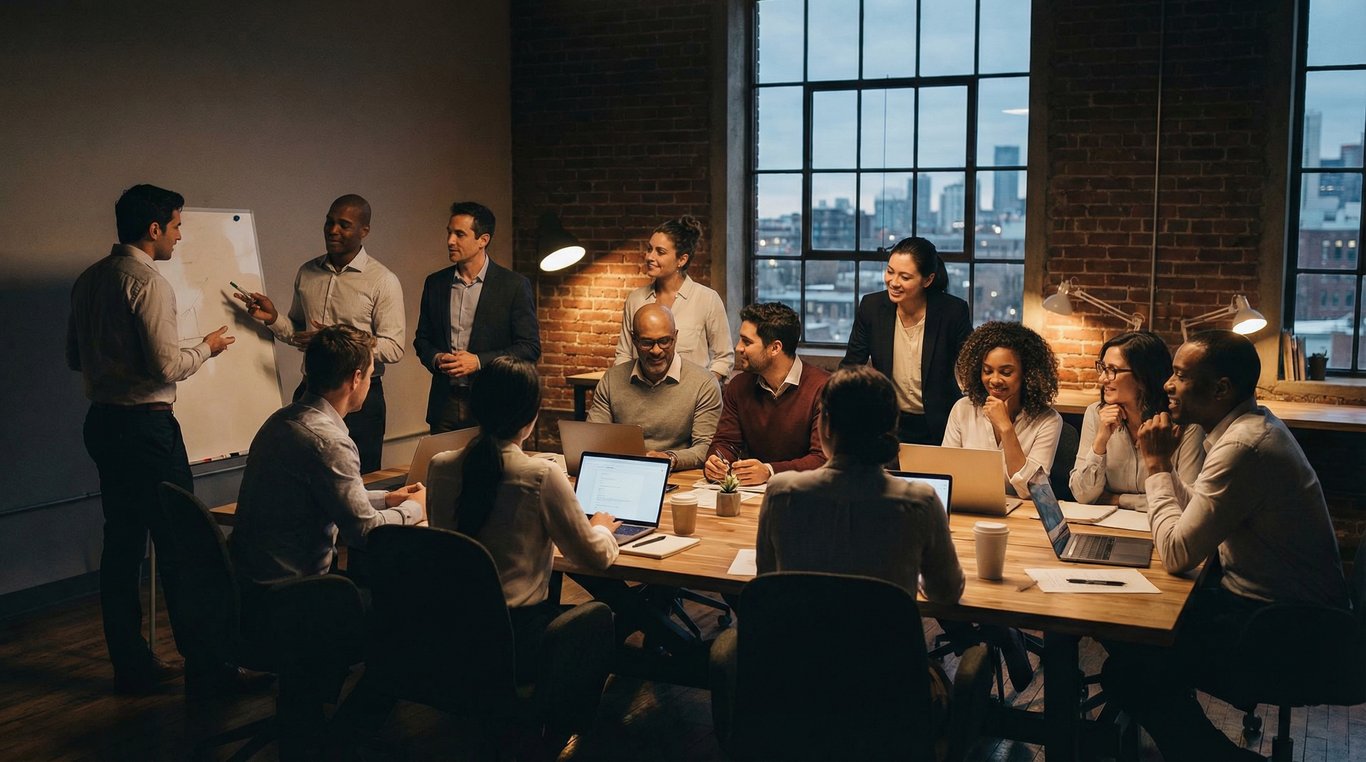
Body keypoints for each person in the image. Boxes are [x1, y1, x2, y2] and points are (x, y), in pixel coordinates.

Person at [1102, 331, 1348, 761]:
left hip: (1286, 629)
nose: (1167, 385)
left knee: (1130, 666)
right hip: (1274, 608)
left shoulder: (1243, 446)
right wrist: (1165, 471)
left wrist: (1156, 465)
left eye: (1181, 375)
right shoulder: (1246, 428)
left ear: (1221, 389)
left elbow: (1177, 554)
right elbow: (1196, 512)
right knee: (1128, 637)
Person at [67, 184, 240, 695]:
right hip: (147, 430)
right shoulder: (148, 282)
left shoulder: (88, 279)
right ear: (154, 228)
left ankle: (132, 667)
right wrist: (206, 347)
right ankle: (209, 673)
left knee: (122, 547)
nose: (180, 236)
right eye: (178, 226)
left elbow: (75, 357)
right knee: (182, 545)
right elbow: (166, 366)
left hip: (103, 424)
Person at [756, 366, 963, 742]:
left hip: (799, 684)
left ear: (825, 425)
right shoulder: (919, 502)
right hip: (888, 690)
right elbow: (946, 593)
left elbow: (768, 582)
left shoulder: (781, 492)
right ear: (892, 426)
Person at [426, 356, 619, 675]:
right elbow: (595, 557)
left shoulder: (440, 465)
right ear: (531, 416)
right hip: (518, 639)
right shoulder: (541, 475)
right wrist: (601, 529)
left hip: (452, 631)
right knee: (600, 618)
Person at [230, 325, 426, 597]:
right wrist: (416, 507)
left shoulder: (280, 421)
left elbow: (321, 495)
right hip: (296, 595)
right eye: (370, 374)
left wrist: (386, 498)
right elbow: (366, 532)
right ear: (356, 379)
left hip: (252, 586)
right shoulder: (329, 443)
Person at [234, 194, 405, 473]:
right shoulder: (307, 272)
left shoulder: (383, 281)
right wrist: (274, 318)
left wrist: (337, 341)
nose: (333, 230)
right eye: (329, 222)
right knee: (301, 473)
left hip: (359, 399)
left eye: (344, 225)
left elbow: (394, 347)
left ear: (364, 231)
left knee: (361, 477)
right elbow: (299, 333)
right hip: (310, 392)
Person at [414, 201, 541, 432]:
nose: (450, 241)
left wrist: (479, 361)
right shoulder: (435, 283)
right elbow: (422, 340)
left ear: (483, 240)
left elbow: (529, 348)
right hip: (444, 403)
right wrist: (437, 358)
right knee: (441, 457)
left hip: (492, 402)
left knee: (489, 457)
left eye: (459, 234)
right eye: (449, 233)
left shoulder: (513, 285)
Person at [841, 236, 972, 445]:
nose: (893, 282)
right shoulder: (872, 307)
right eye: (890, 271)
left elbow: (972, 364)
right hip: (889, 421)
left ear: (927, 280)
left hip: (941, 422)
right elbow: (851, 365)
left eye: (905, 277)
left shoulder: (953, 311)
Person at [1069, 331, 1204, 510]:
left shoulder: (1186, 425)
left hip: (1163, 524)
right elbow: (1082, 495)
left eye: (1112, 370)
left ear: (1142, 377)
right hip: (1107, 523)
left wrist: (1118, 499)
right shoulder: (1096, 414)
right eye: (1102, 368)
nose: (1102, 379)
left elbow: (1188, 503)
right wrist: (1101, 441)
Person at [703, 302, 829, 486]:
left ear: (775, 348)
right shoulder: (739, 386)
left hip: (807, 492)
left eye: (747, 342)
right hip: (751, 491)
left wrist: (770, 471)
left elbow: (823, 459)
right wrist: (716, 461)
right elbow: (726, 442)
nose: (738, 348)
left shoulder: (824, 388)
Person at [589, 303, 721, 471]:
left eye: (664, 341)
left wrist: (670, 459)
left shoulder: (704, 383)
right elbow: (594, 439)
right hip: (624, 471)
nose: (656, 351)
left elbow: (705, 447)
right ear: (634, 340)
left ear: (675, 337)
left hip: (678, 475)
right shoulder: (612, 380)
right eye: (647, 342)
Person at [943, 321, 1063, 497]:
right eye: (987, 371)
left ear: (1027, 373)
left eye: (1006, 372)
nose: (995, 380)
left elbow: (1032, 491)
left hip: (1022, 511)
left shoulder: (1048, 420)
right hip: (969, 506)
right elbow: (947, 474)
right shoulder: (963, 409)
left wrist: (1006, 428)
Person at [614, 216, 733, 383]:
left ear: (682, 260)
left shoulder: (707, 299)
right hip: (641, 394)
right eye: (649, 249)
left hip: (692, 395)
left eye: (660, 252)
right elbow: (624, 355)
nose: (650, 257)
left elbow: (723, 358)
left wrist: (702, 389)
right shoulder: (635, 300)